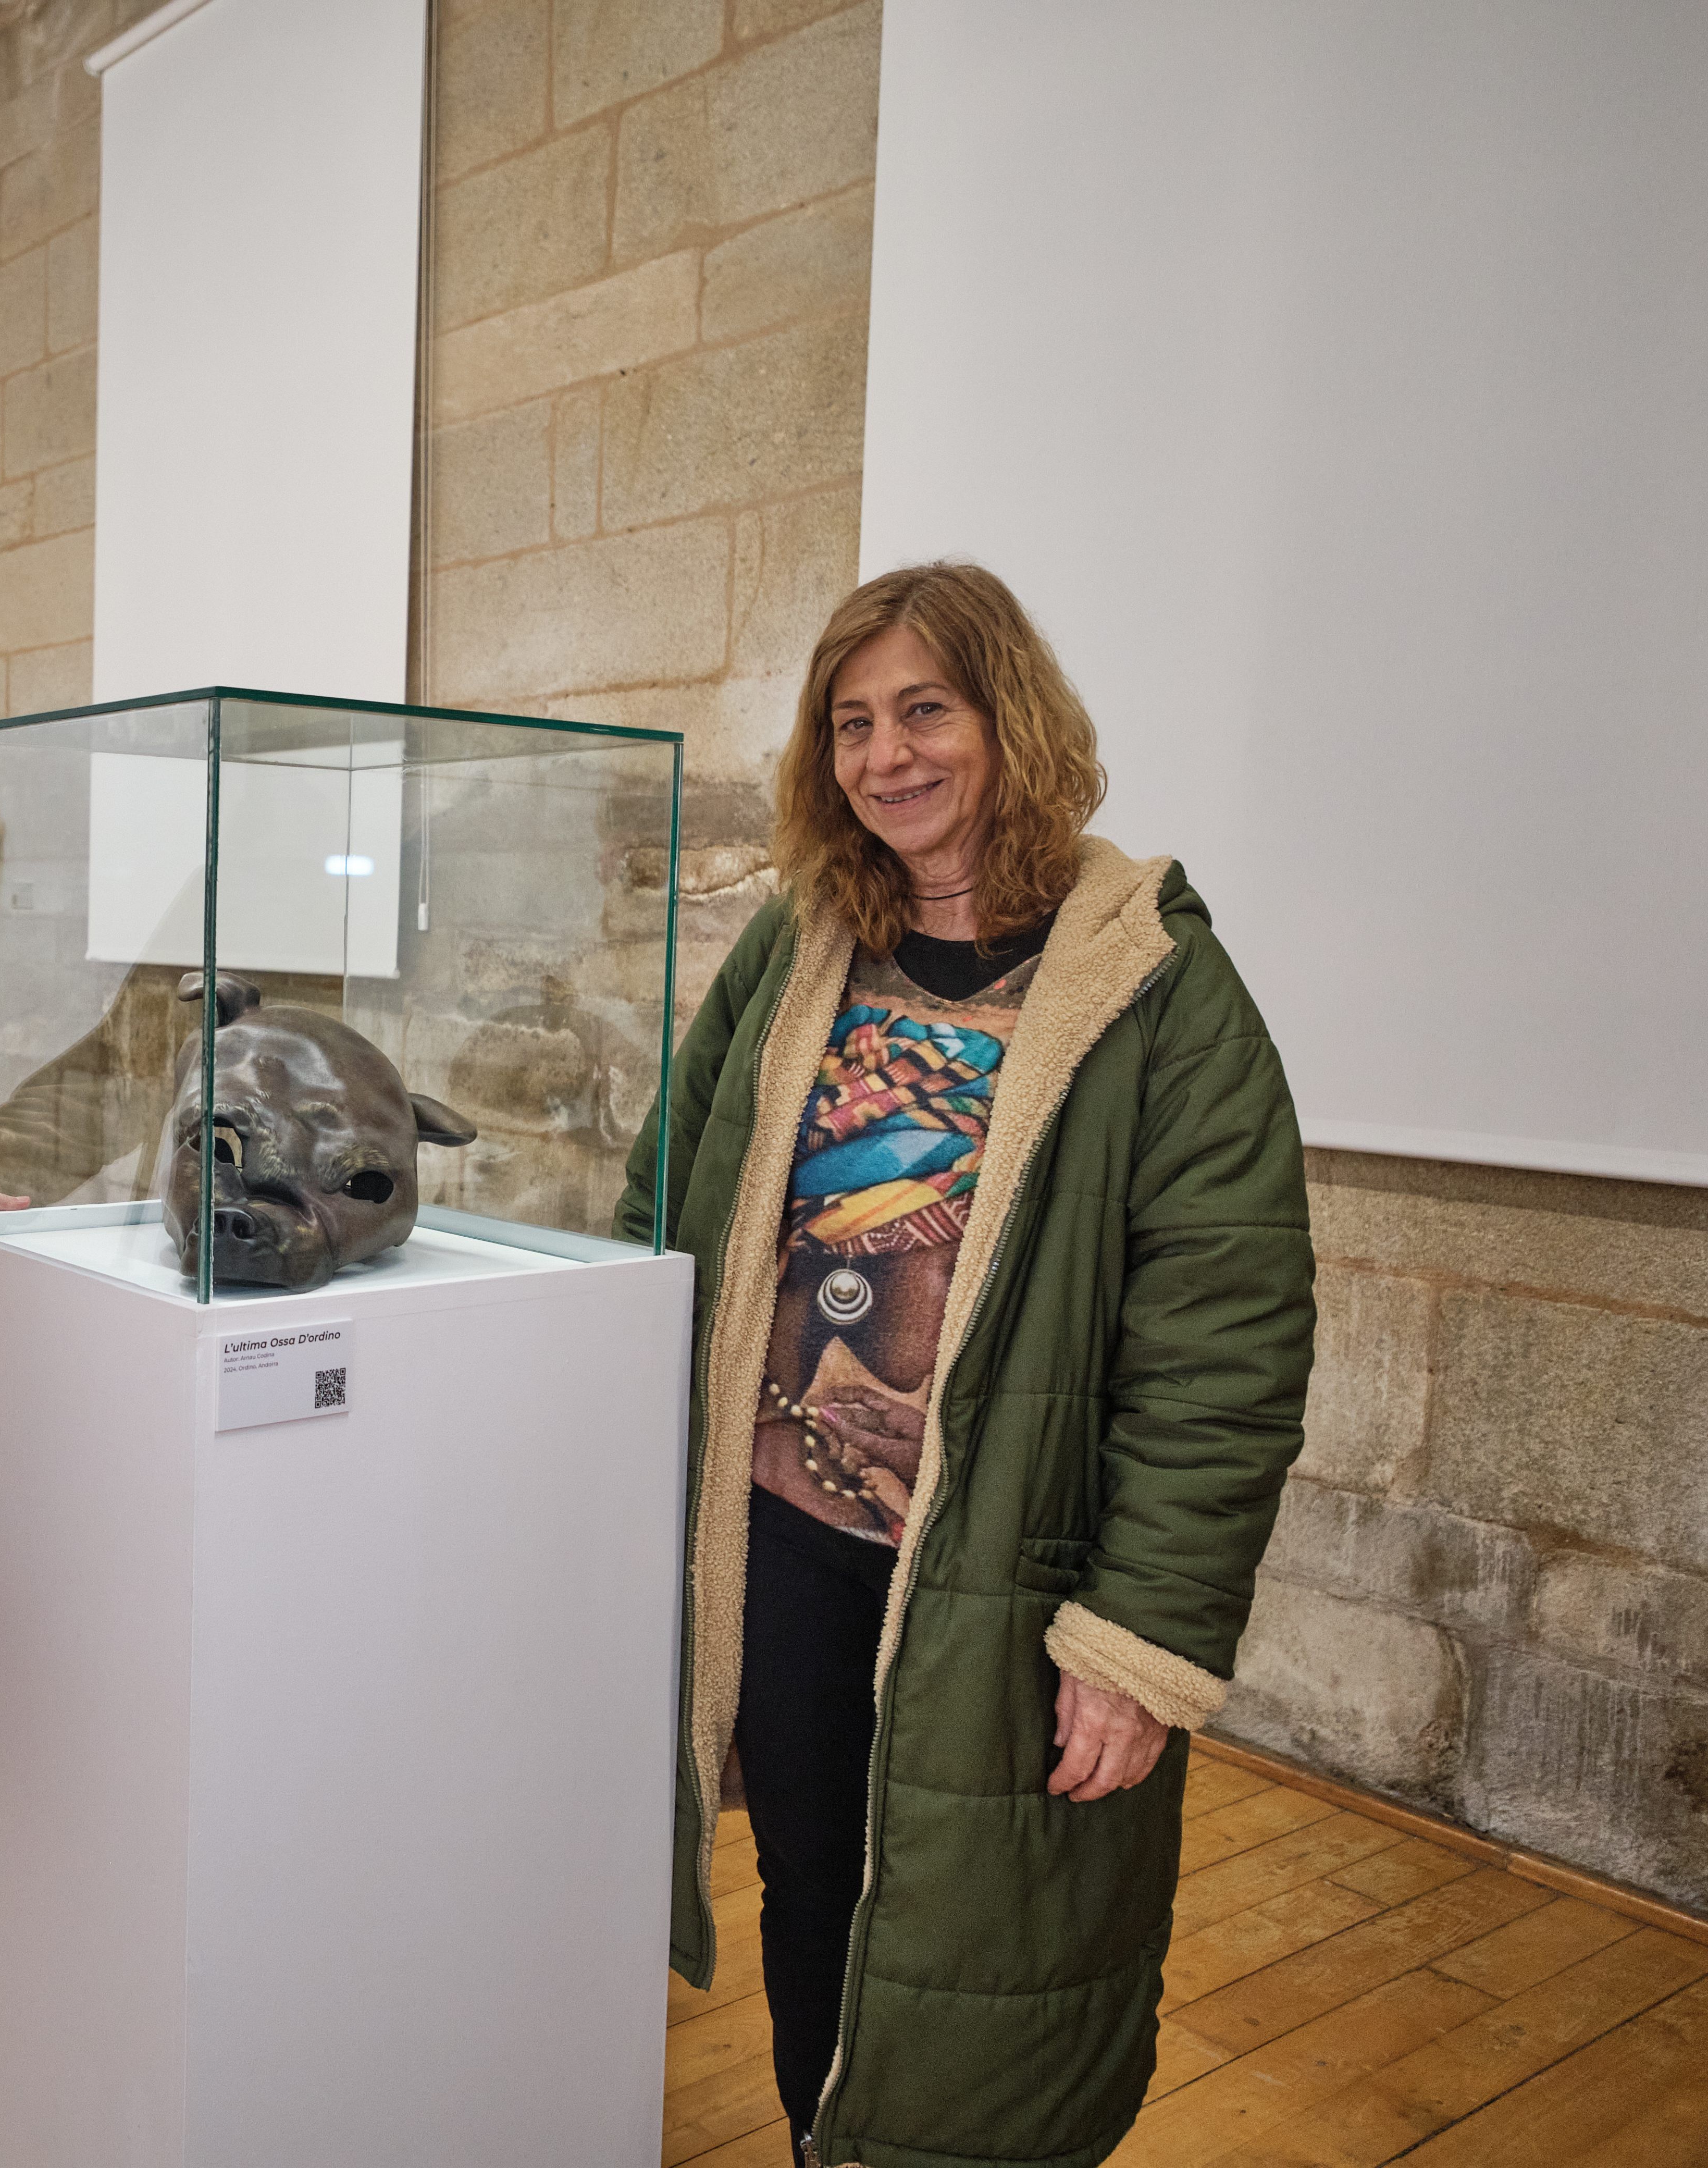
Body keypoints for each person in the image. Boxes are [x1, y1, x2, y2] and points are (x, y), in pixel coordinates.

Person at [619, 561, 1315, 2168]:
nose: (889, 755)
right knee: (813, 1883)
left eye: (926, 708)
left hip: (1006, 1572)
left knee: (988, 1937)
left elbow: (1227, 1344)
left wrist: (1140, 1642)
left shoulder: (1152, 985)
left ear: (1011, 717)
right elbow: (663, 1202)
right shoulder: (801, 951)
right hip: (788, 1537)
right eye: (852, 722)